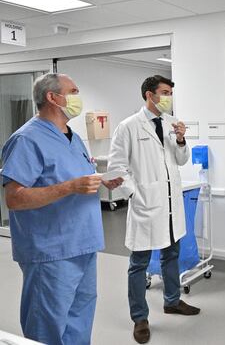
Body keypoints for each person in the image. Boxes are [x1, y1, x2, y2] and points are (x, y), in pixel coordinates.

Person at [1, 73, 122, 345]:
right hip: (50, 251)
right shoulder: (26, 140)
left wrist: (102, 181)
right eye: (74, 90)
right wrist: (69, 187)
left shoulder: (74, 138)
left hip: (84, 244)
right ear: (52, 97)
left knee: (80, 319)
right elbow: (15, 198)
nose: (79, 97)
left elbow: (75, 177)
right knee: (48, 326)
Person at [108, 75, 200, 344]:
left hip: (171, 205)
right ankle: (140, 318)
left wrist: (182, 141)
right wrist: (136, 194)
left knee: (171, 254)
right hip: (146, 206)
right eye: (165, 92)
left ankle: (172, 301)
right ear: (150, 95)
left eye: (171, 92)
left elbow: (181, 160)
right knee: (138, 264)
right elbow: (117, 167)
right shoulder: (128, 127)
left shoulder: (172, 123)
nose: (169, 97)